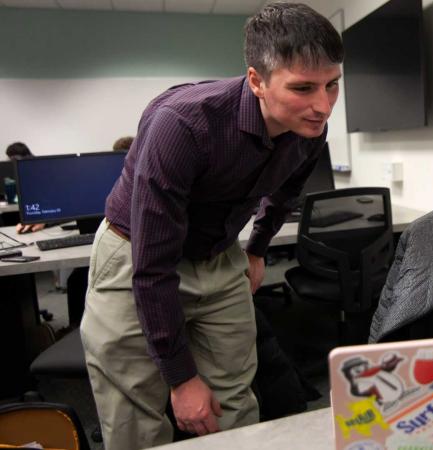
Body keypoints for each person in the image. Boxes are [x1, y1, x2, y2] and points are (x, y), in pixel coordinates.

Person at [79, 3, 343, 449]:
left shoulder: (309, 129)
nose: (322, 105)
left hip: (219, 253)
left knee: (235, 400)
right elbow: (152, 264)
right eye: (303, 88)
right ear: (257, 81)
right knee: (137, 412)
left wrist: (257, 248)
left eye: (332, 85)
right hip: (136, 256)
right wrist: (181, 380)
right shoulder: (183, 124)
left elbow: (283, 194)